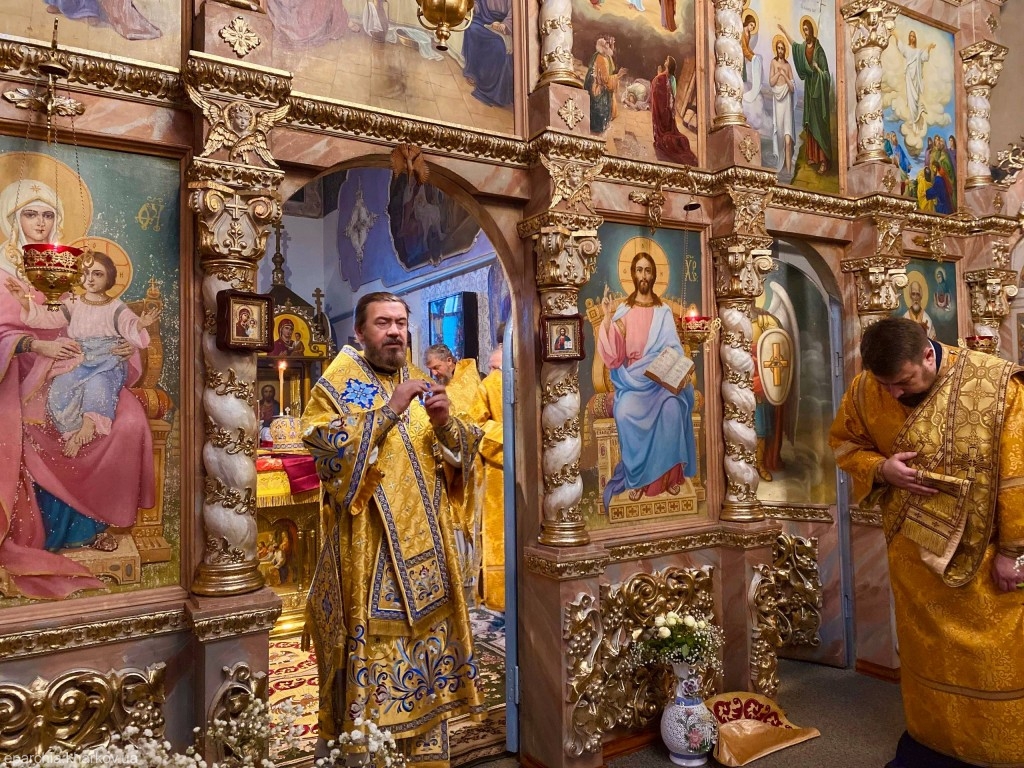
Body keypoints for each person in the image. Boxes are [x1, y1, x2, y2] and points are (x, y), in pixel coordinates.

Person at [829, 317, 1024, 767]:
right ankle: (934, 740)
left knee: (996, 660)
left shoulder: (999, 386)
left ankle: (1001, 749)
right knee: (928, 656)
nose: (894, 393)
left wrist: (1014, 552)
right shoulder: (865, 389)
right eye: (885, 384)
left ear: (927, 354)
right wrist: (882, 469)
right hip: (913, 556)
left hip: (985, 556)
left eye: (903, 382)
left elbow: (1018, 477)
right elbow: (844, 444)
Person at [302, 292, 484, 766]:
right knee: (373, 665)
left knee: (424, 669)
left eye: (401, 323)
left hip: (429, 558)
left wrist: (445, 425)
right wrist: (387, 412)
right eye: (383, 323)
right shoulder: (337, 384)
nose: (395, 332)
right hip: (369, 556)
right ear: (360, 332)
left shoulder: (419, 381)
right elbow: (323, 448)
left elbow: (464, 452)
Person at [0, 182, 155, 597]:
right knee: (36, 425)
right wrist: (35, 345)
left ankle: (100, 525)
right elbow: (20, 328)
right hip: (19, 378)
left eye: (47, 214)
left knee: (129, 422)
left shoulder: (66, 270)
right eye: (30, 214)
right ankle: (52, 535)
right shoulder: (2, 273)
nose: (39, 222)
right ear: (12, 218)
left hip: (80, 366)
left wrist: (126, 346)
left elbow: (96, 324)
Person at [7, 251, 160, 460]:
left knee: (99, 385)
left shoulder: (116, 307)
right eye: (86, 273)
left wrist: (140, 324)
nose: (90, 279)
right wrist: (25, 303)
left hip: (108, 358)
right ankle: (72, 431)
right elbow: (47, 318)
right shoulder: (73, 303)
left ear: (109, 278)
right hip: (79, 358)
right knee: (60, 388)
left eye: (97, 274)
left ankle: (89, 425)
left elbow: (129, 327)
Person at [597, 252, 697, 509]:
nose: (643, 275)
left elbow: (674, 349)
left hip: (660, 383)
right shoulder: (624, 311)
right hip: (633, 382)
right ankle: (638, 480)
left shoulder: (663, 312)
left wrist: (677, 368)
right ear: (633, 274)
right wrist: (607, 318)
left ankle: (669, 478)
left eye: (648, 270)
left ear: (654, 276)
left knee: (673, 408)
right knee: (625, 412)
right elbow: (613, 358)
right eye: (639, 270)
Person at [424, 342, 484, 605]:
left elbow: (471, 425)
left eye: (436, 367)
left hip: (473, 467)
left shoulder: (468, 384)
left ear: (449, 361)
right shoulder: (448, 386)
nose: (434, 373)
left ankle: (470, 586)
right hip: (451, 468)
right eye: (431, 369)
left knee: (468, 522)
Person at [469, 343, 505, 611]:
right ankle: (499, 594)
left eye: (496, 367)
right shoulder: (489, 386)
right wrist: (513, 435)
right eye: (491, 368)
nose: (493, 373)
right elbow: (476, 426)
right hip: (498, 474)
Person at [779, 18, 833, 175]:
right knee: (810, 122)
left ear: (812, 30)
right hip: (809, 89)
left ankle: (823, 160)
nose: (805, 32)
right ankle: (813, 156)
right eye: (803, 30)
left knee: (819, 124)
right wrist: (784, 31)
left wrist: (818, 69)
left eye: (807, 30)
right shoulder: (803, 47)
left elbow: (826, 76)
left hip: (819, 91)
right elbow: (794, 46)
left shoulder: (819, 51)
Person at [461, 0, 514, 108]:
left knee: (497, 45)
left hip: (501, 24)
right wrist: (473, 7)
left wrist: (504, 25)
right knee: (471, 28)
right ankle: (473, 72)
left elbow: (514, 13)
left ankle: (488, 87)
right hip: (482, 19)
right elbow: (477, 4)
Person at [650, 56, 698, 166]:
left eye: (667, 60)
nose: (665, 61)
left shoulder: (671, 79)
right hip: (663, 108)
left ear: (669, 64)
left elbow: (672, 94)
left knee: (667, 134)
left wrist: (669, 107)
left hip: (666, 109)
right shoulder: (662, 76)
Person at [894, 29, 935, 132]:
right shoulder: (907, 48)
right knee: (911, 97)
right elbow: (901, 47)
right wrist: (895, 35)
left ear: (915, 38)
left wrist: (929, 48)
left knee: (916, 97)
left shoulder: (918, 51)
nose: (912, 38)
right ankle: (914, 119)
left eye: (913, 36)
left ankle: (917, 117)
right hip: (909, 75)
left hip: (916, 76)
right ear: (909, 38)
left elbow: (924, 57)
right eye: (910, 36)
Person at [585, 37, 625, 134]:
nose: (608, 46)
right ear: (602, 47)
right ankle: (598, 128)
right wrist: (618, 76)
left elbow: (611, 61)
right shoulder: (601, 59)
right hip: (598, 88)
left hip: (597, 84)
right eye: (606, 45)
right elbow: (606, 80)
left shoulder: (602, 55)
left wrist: (612, 46)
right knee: (602, 109)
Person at [769, 36, 796, 174]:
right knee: (780, 136)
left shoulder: (788, 66)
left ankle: (789, 172)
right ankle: (781, 164)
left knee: (787, 139)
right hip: (778, 102)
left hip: (786, 102)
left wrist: (784, 75)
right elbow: (771, 82)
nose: (780, 50)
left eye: (782, 48)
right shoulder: (773, 63)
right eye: (778, 48)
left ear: (785, 50)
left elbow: (792, 88)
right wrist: (778, 73)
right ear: (776, 49)